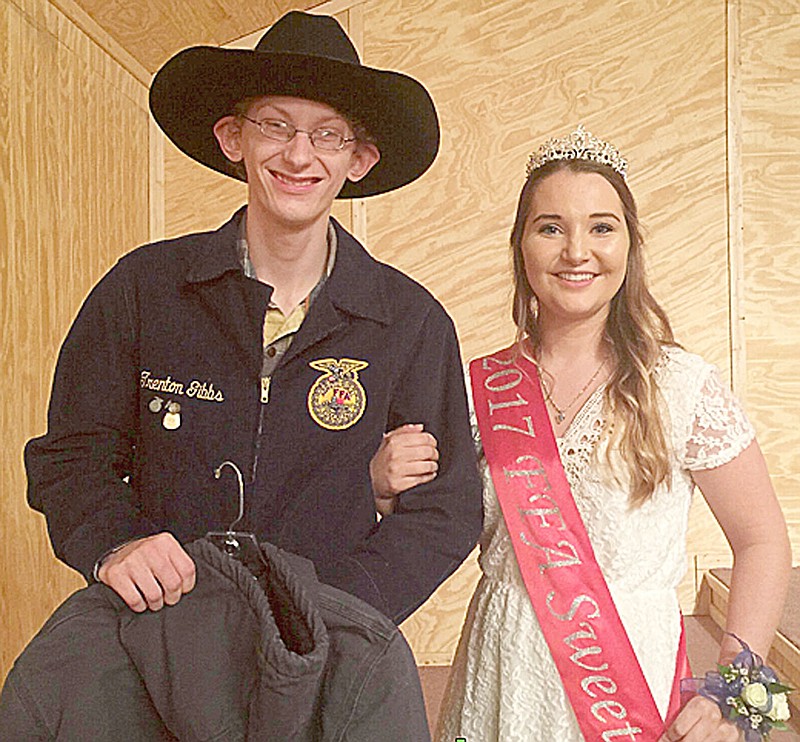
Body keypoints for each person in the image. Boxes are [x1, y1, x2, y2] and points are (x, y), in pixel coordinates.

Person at [24, 10, 482, 628]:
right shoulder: (142, 288)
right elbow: (72, 455)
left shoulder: (412, 323)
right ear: (233, 138)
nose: (298, 154)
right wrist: (116, 543)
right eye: (276, 125)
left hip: (324, 648)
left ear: (359, 160)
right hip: (158, 633)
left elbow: (445, 512)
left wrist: (334, 610)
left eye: (327, 134)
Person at [371, 126, 792, 741]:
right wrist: (379, 487)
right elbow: (427, 530)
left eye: (601, 227)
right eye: (550, 227)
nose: (577, 251)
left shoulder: (679, 386)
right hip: (503, 673)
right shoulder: (475, 389)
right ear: (521, 246)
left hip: (630, 681)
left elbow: (763, 541)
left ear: (629, 244)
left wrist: (736, 688)